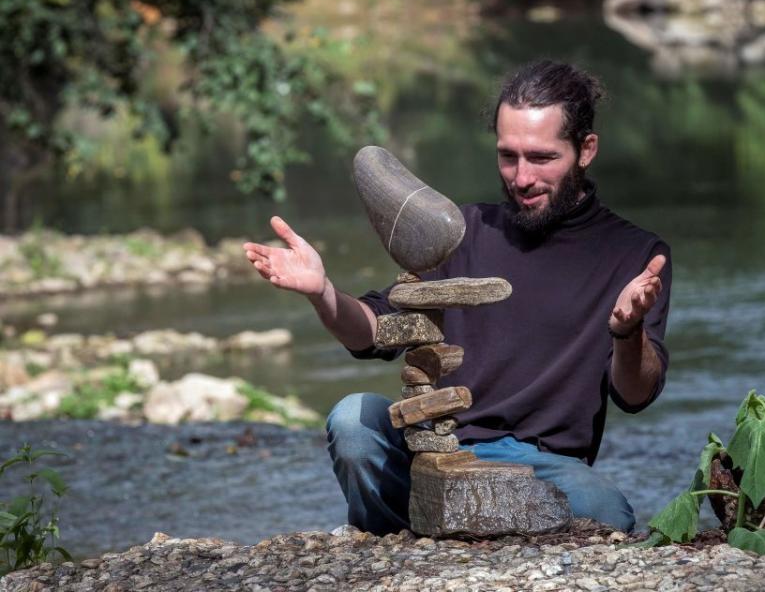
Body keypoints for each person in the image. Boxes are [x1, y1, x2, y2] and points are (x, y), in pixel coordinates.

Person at [242, 60, 671, 535]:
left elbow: (636, 394)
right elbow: (376, 332)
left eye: (541, 158)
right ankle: (395, 541)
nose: (521, 177)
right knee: (352, 420)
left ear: (585, 149)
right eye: (508, 156)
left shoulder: (635, 255)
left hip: (539, 465)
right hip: (433, 447)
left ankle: (438, 529)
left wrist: (627, 331)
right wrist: (322, 293)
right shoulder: (460, 232)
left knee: (608, 511)